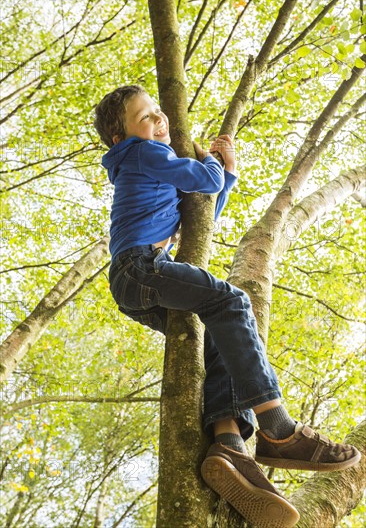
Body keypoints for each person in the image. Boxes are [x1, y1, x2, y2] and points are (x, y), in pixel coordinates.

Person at [94, 84, 361, 528]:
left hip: (141, 279)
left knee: (217, 337)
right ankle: (278, 428)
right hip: (137, 268)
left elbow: (202, 215)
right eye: (146, 117)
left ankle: (229, 443)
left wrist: (226, 173)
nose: (159, 120)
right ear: (124, 138)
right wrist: (216, 163)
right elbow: (206, 179)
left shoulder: (153, 165)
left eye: (159, 112)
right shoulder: (140, 155)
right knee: (232, 300)